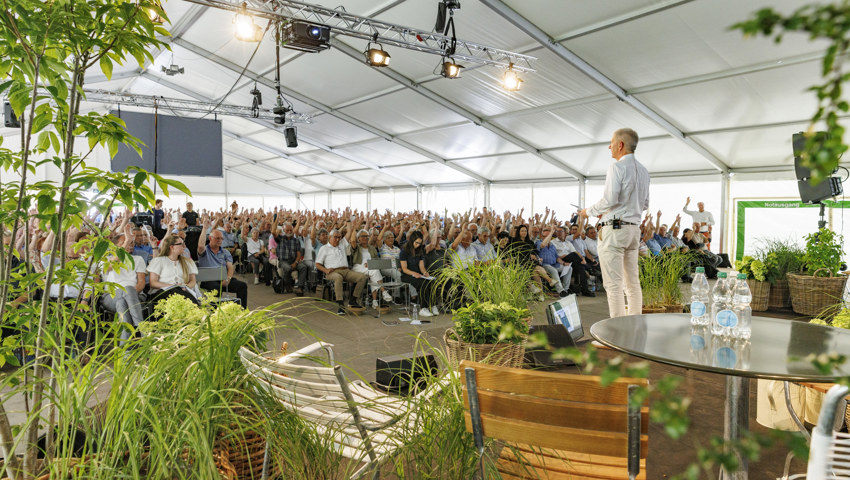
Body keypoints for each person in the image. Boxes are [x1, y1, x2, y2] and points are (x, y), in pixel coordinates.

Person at [579, 128, 650, 318]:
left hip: (615, 230)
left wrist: (588, 212)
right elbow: (645, 204)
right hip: (634, 230)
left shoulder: (616, 167)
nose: (609, 146)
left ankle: (617, 333)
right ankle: (635, 324)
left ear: (620, 145)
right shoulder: (644, 171)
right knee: (632, 283)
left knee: (614, 285)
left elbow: (609, 200)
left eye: (611, 142)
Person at [197, 220, 248, 307]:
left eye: (221, 238)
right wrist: (204, 229)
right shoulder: (205, 251)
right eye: (217, 238)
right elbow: (200, 246)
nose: (220, 240)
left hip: (223, 278)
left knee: (242, 286)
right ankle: (216, 313)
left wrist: (228, 278)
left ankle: (242, 311)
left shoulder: (225, 252)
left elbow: (230, 267)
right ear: (210, 238)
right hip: (209, 280)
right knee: (216, 287)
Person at [315, 229, 366, 315]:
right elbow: (317, 264)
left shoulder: (342, 244)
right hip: (332, 272)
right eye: (335, 237)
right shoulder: (324, 248)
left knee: (362, 277)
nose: (338, 239)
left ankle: (353, 300)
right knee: (338, 278)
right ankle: (341, 305)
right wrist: (326, 270)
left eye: (339, 237)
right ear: (330, 237)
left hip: (345, 270)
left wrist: (350, 223)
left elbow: (349, 232)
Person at [147, 235, 201, 306]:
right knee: (175, 291)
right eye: (181, 244)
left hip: (183, 291)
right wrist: (173, 286)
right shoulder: (158, 261)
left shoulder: (188, 262)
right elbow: (153, 283)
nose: (184, 246)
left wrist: (186, 287)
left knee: (178, 293)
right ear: (172, 247)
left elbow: (193, 281)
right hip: (162, 293)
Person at [399, 230, 439, 318]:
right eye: (416, 243)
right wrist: (414, 273)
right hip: (407, 275)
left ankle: (432, 305)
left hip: (418, 274)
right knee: (423, 283)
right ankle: (423, 308)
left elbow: (421, 267)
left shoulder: (419, 250)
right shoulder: (404, 251)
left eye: (420, 243)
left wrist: (425, 273)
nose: (418, 245)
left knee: (431, 281)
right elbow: (404, 269)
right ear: (412, 240)